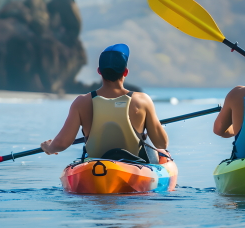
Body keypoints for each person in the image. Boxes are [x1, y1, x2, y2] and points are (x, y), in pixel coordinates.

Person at [40, 44, 168, 162]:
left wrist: (49, 148)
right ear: (125, 72)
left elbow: (61, 143)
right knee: (158, 154)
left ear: (99, 71)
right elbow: (161, 144)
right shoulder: (142, 101)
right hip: (132, 169)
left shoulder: (81, 102)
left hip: (95, 169)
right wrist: (145, 128)